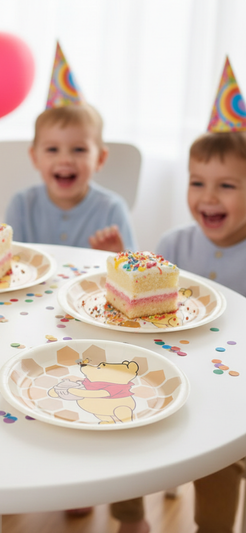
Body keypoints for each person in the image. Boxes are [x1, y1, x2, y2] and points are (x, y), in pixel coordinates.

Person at [112, 130, 246, 533]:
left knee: (217, 458)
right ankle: (131, 519)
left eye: (227, 185)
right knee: (121, 423)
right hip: (169, 376)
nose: (208, 196)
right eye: (197, 182)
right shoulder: (172, 245)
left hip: (232, 394)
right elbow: (143, 316)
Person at [5, 103, 137, 253]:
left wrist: (115, 257)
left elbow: (132, 273)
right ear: (35, 157)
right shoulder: (22, 205)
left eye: (79, 149)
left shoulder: (112, 209)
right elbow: (9, 262)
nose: (65, 159)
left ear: (100, 159)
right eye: (52, 149)